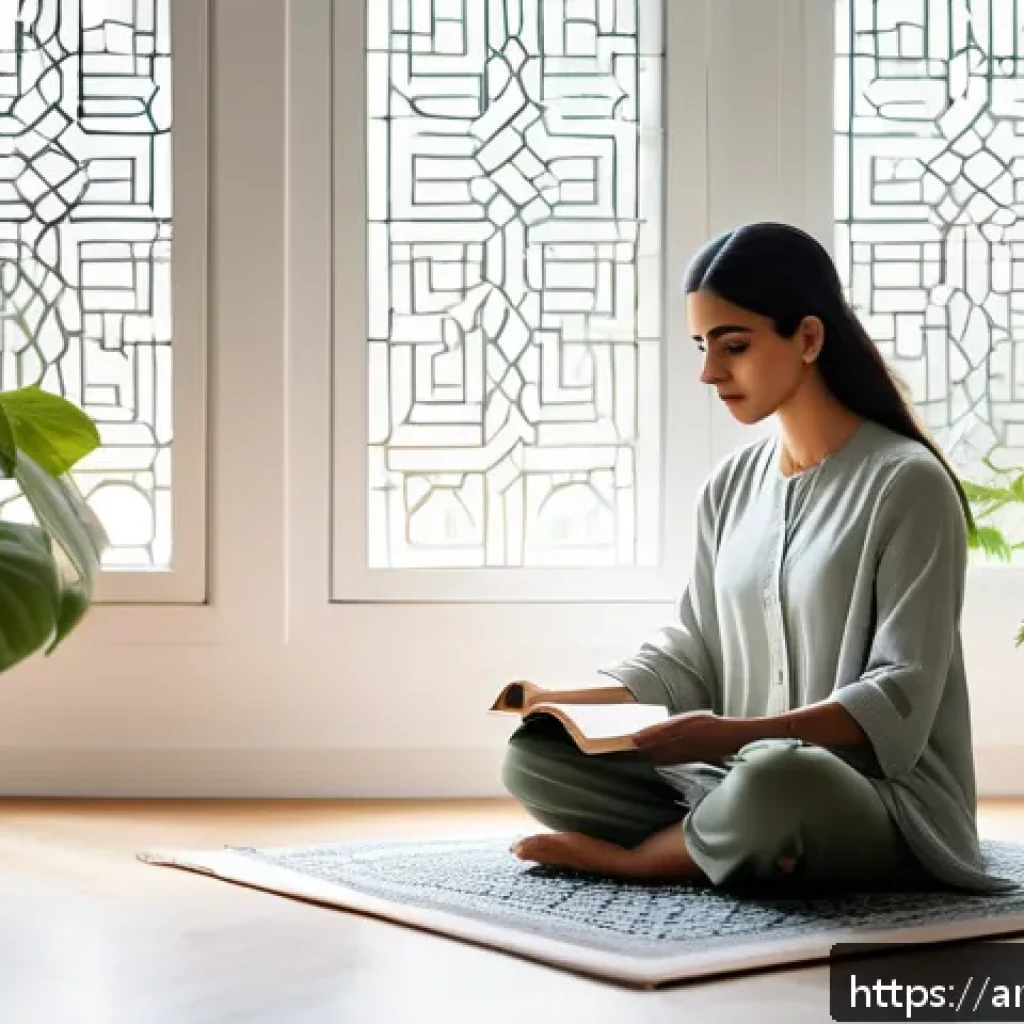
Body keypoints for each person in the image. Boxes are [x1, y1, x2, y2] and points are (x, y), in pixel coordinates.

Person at [500, 221, 1017, 894]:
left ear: (807, 337)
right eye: (701, 346)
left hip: (876, 800)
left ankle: (647, 858)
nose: (710, 372)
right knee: (536, 759)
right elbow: (693, 652)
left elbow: (898, 695)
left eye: (733, 345)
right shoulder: (730, 486)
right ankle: (744, 841)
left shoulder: (907, 483)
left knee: (781, 783)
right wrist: (560, 699)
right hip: (733, 779)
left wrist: (731, 735)